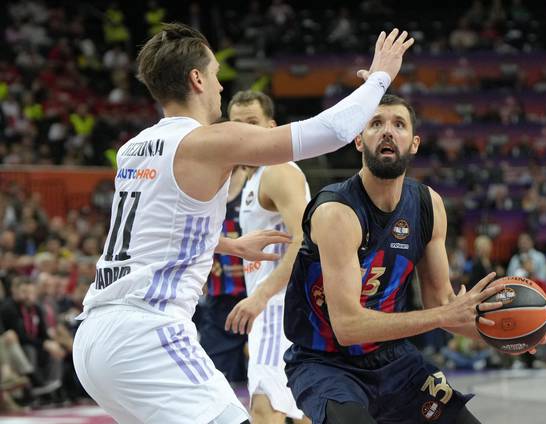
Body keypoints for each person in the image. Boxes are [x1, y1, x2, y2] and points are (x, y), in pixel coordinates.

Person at [72, 23, 415, 424]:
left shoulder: (132, 149)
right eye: (216, 75)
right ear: (196, 79)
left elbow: (147, 231)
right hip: (145, 331)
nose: (220, 86)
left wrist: (229, 245)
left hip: (93, 336)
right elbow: (329, 131)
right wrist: (381, 77)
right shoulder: (205, 142)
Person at [283, 94, 546, 424]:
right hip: (326, 364)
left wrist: (505, 335)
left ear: (415, 143)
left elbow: (442, 303)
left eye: (399, 124)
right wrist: (441, 314)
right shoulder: (336, 211)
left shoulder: (427, 205)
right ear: (358, 140)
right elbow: (348, 327)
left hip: (394, 360)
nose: (387, 132)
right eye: (376, 123)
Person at [224, 91, 309, 423]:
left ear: (272, 128)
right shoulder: (253, 176)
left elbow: (306, 239)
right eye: (237, 125)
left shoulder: (277, 172)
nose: (244, 132)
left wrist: (260, 297)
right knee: (300, 411)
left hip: (279, 306)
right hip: (281, 308)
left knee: (264, 408)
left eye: (253, 124)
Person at [194, 164, 248, 383]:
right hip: (220, 301)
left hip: (259, 296)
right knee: (211, 380)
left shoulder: (262, 183)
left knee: (276, 385)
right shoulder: (203, 188)